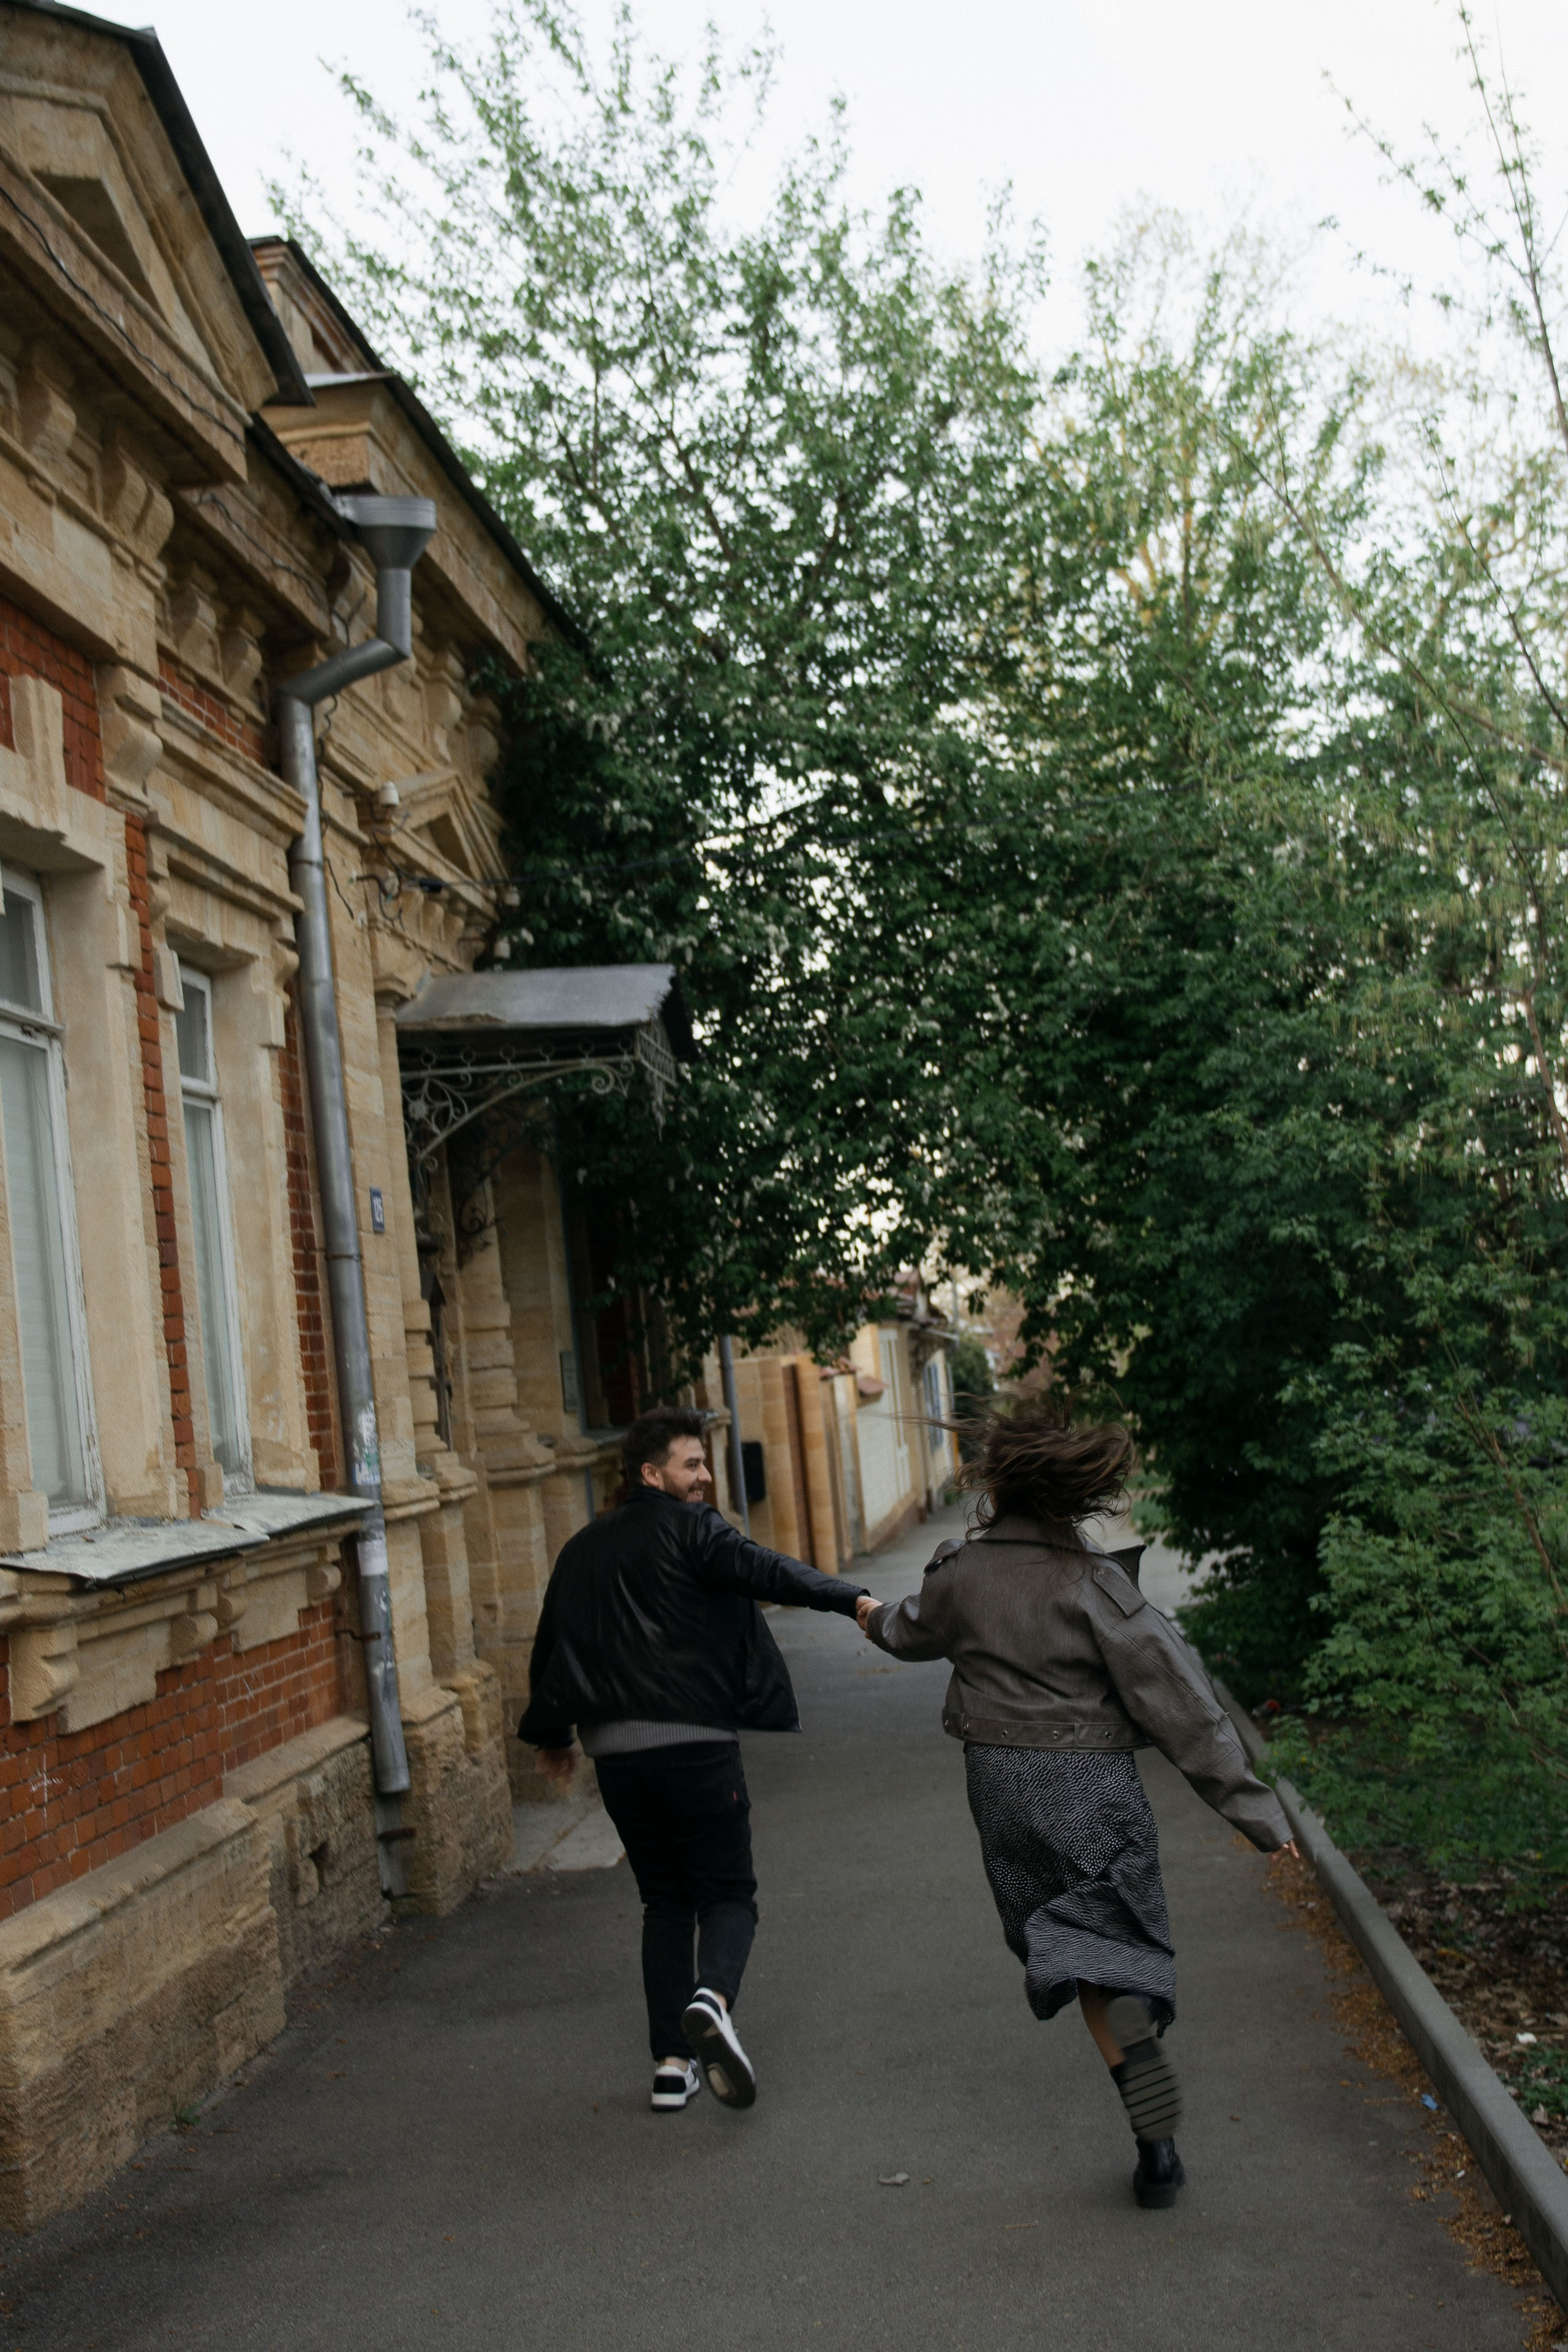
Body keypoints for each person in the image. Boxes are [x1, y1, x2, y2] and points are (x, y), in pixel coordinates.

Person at [856, 1397, 1296, 2209]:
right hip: (1086, 1785)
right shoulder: (1094, 1584)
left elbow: (905, 1632)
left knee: (1076, 1944)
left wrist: (869, 1615)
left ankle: (1150, 2125)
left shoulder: (961, 1574)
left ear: (999, 1486)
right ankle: (1153, 2132)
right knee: (1110, 1944)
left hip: (999, 1790)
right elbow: (1181, 1705)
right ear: (1069, 1492)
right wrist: (1258, 1814)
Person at [520, 1404, 871, 2114]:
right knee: (728, 1894)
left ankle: (670, 2066)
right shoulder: (693, 1529)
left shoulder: (582, 1547)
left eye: (704, 1463)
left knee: (663, 1901)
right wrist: (852, 1600)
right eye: (692, 1464)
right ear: (651, 1475)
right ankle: (711, 1999)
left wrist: (553, 1737)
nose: (705, 1476)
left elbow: (553, 1644)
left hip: (616, 1756)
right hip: (694, 1744)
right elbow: (765, 1570)